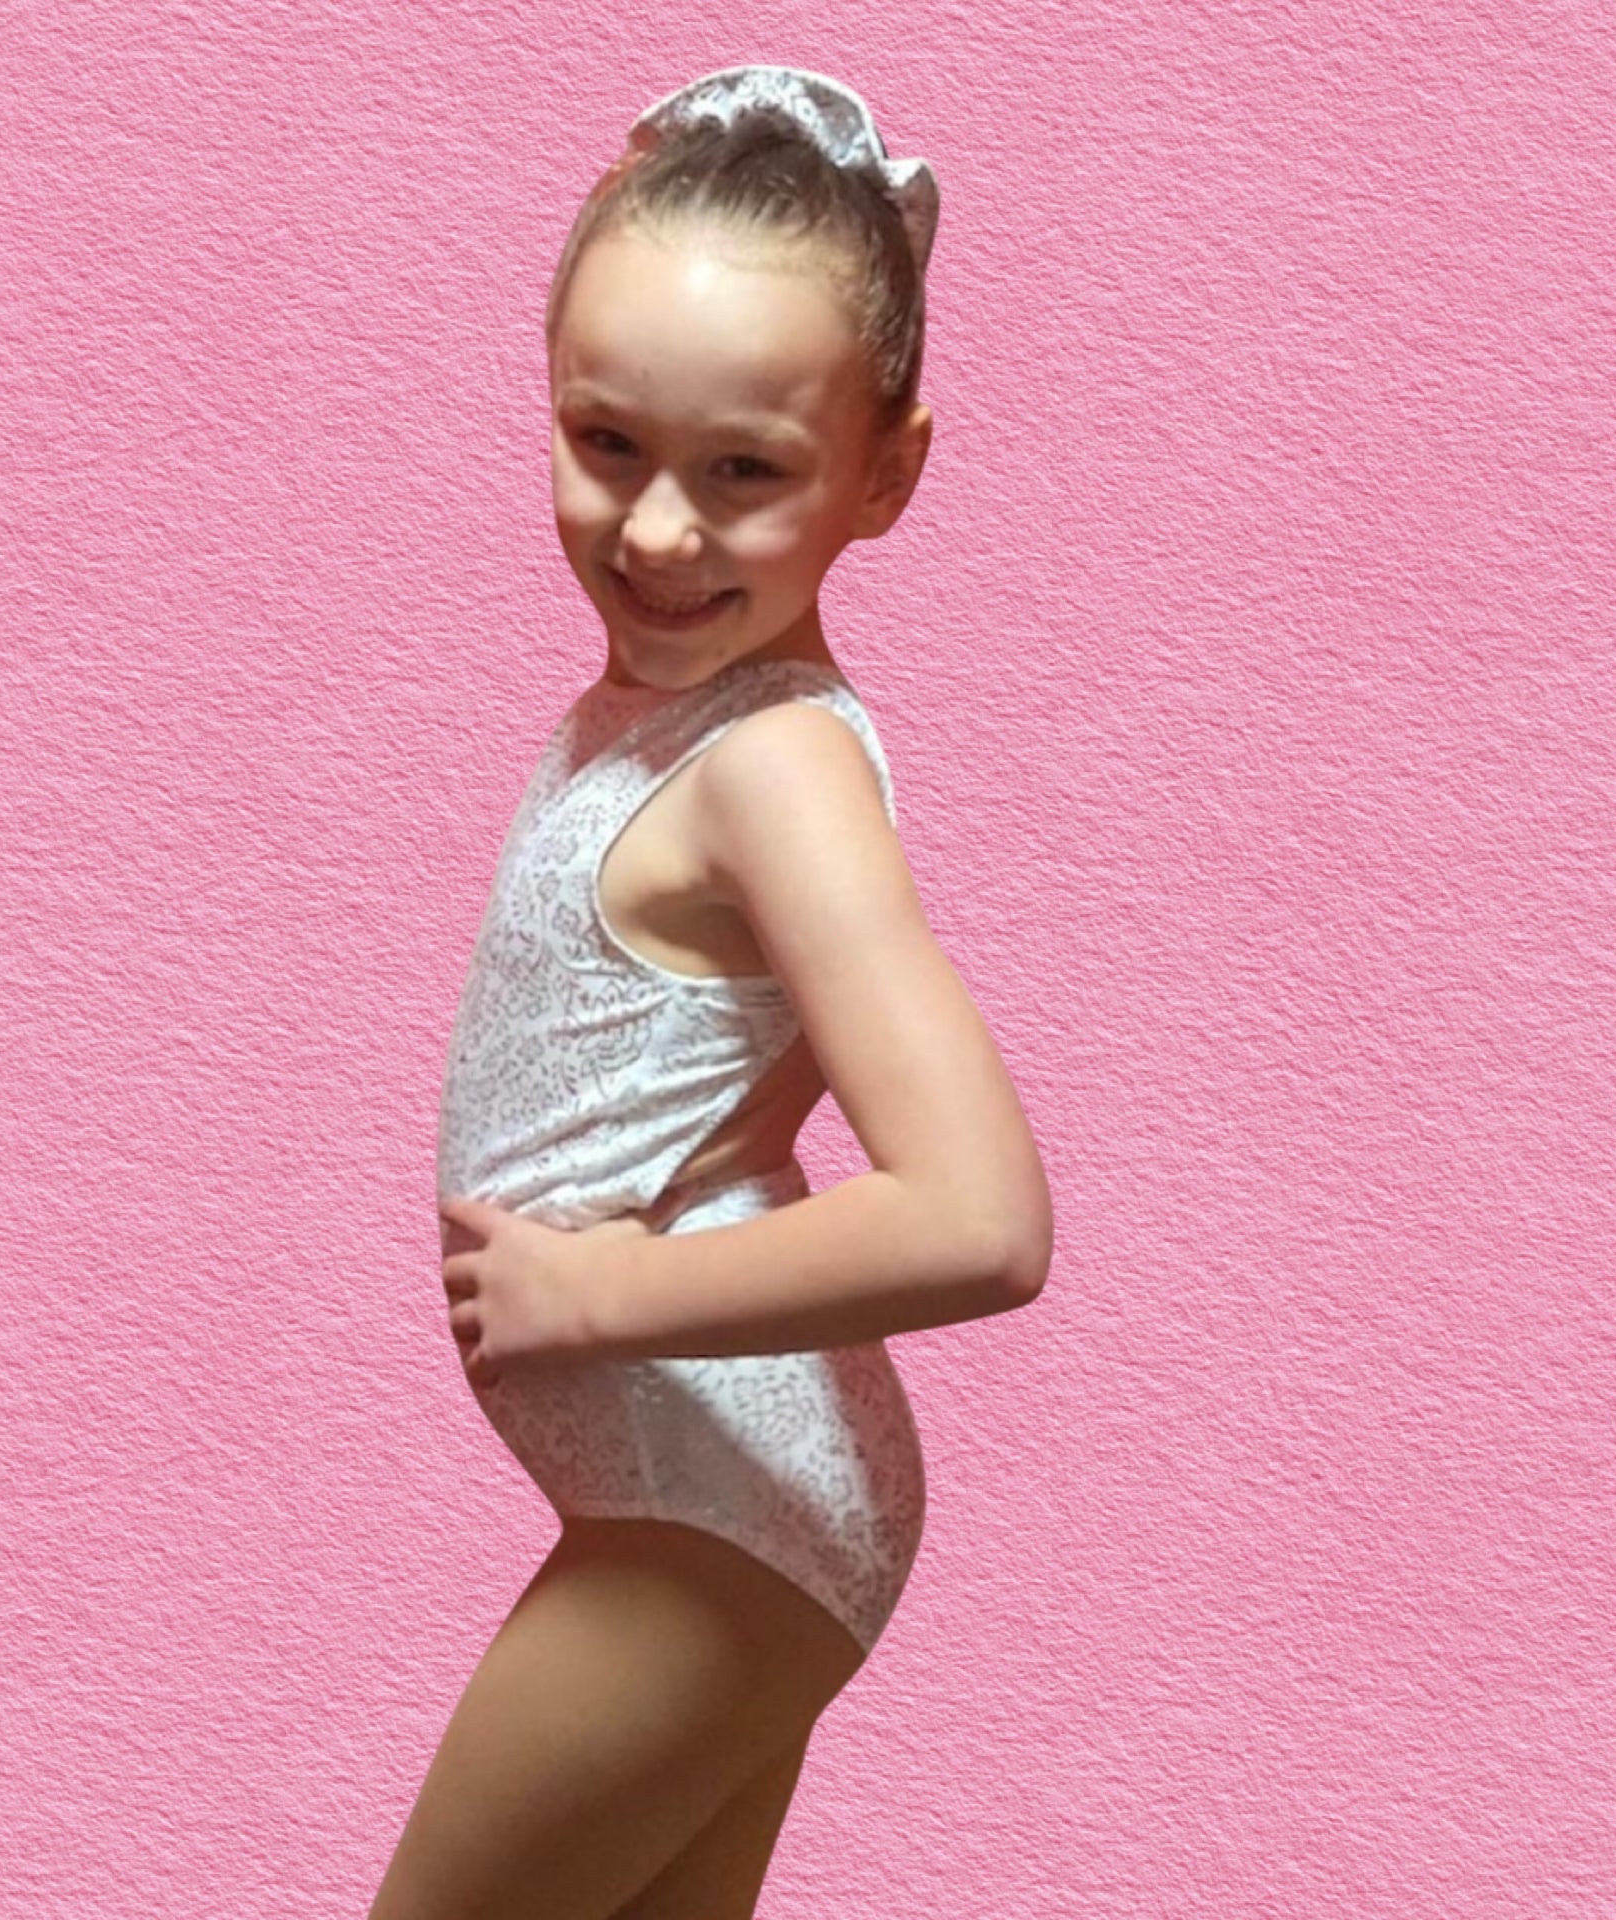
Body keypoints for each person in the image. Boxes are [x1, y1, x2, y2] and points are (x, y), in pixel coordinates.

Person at [371, 66, 1054, 1920]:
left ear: (884, 472)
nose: (658, 532)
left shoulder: (776, 773)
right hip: (706, 1501)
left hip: (727, 1508)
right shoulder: (668, 722)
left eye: (743, 472)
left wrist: (606, 1291)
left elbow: (983, 1217)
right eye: (607, 444)